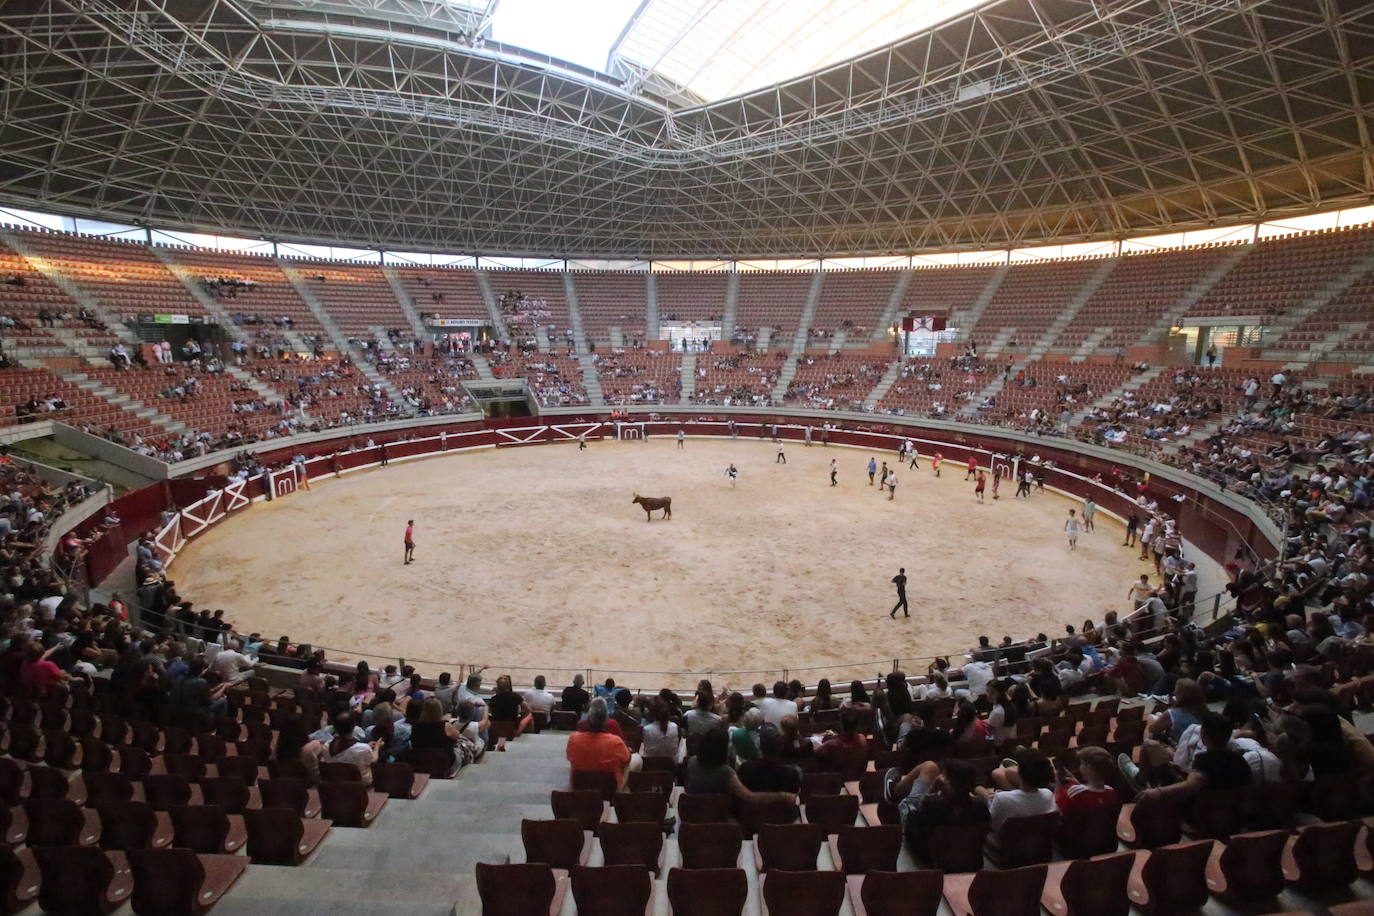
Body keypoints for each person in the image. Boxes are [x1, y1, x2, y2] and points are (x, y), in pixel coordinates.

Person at [566, 697, 638, 788]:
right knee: (635, 759)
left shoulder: (573, 739)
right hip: (611, 788)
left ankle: (573, 788)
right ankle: (622, 791)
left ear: (588, 717)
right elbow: (627, 760)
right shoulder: (616, 741)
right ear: (606, 719)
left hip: (579, 785)